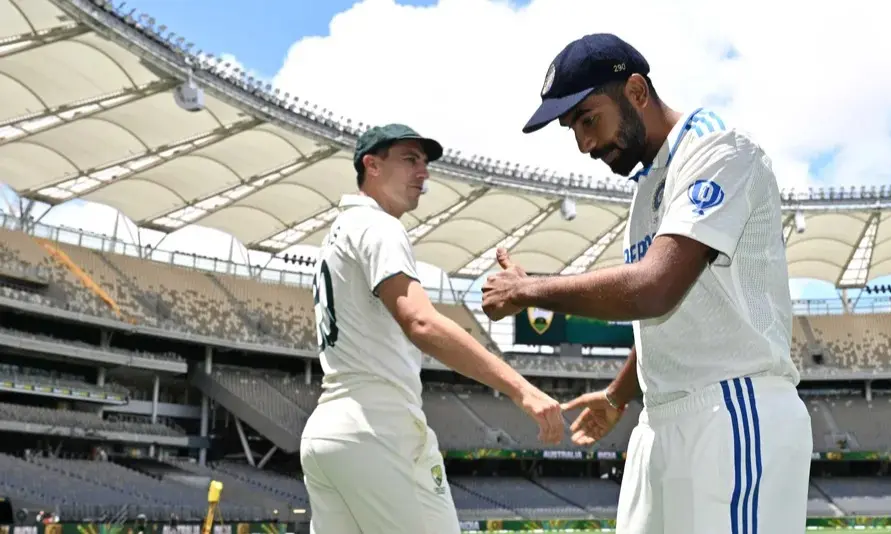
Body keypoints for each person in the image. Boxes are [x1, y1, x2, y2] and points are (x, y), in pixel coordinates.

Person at [481, 33, 813, 534]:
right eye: (573, 129)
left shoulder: (719, 149)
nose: (584, 144)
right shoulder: (649, 185)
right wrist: (617, 395)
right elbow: (668, 316)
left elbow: (655, 287)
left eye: (589, 119)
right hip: (660, 420)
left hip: (732, 410)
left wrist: (527, 290)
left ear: (636, 91)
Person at [299, 123, 564, 534]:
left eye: (425, 163)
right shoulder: (379, 226)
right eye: (409, 159)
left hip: (327, 432)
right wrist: (523, 389)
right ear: (371, 164)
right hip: (378, 427)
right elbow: (420, 320)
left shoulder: (338, 232)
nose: (423, 172)